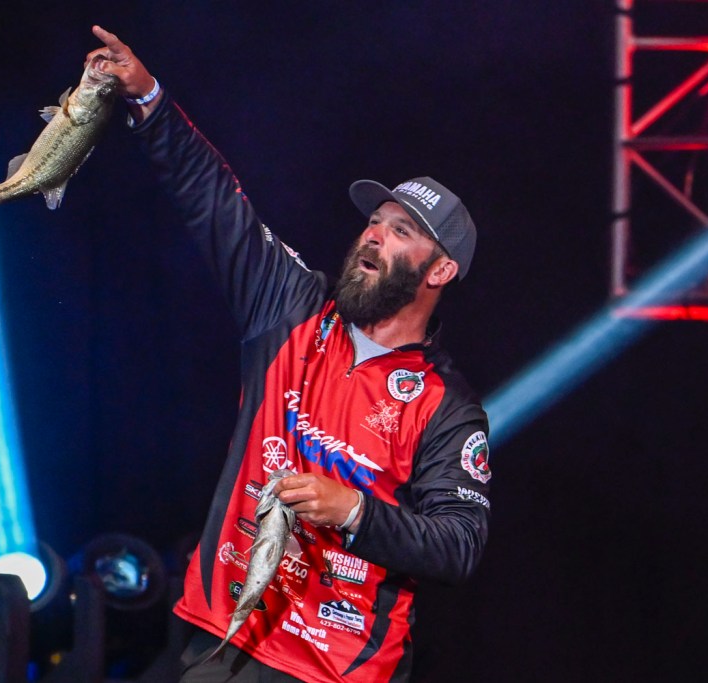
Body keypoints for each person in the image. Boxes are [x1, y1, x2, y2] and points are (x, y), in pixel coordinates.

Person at [86, 25, 492, 683]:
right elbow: (217, 205)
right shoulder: (292, 307)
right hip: (220, 634)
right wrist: (149, 99)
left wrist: (353, 510)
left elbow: (460, 543)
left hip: (333, 668)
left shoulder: (446, 407)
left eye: (401, 231)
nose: (374, 235)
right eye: (375, 221)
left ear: (439, 271)